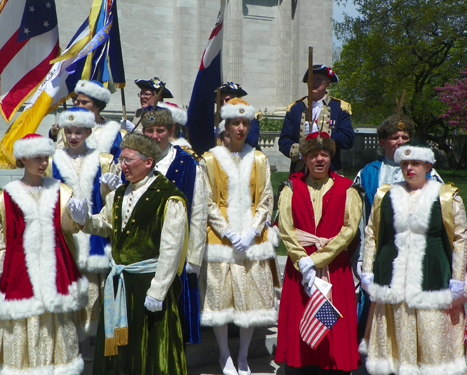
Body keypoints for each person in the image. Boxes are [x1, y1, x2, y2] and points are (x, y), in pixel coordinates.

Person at [68, 133, 188, 375]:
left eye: (128, 160)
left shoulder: (168, 197)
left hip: (149, 284)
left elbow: (171, 250)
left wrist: (158, 290)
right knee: (120, 348)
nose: (122, 166)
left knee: (150, 347)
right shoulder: (119, 193)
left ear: (148, 162)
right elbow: (105, 224)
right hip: (120, 284)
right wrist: (84, 220)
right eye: (121, 160)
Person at [0, 134, 89, 375]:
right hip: (21, 270)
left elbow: (69, 228)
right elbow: (2, 241)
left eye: (45, 157)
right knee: (23, 320)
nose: (43, 163)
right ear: (23, 159)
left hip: (55, 269)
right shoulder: (6, 196)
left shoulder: (60, 190)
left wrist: (79, 217)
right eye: (37, 158)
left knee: (55, 321)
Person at [360, 141, 467, 374]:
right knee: (397, 337)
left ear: (428, 166)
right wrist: (367, 271)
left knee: (431, 340)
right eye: (405, 163)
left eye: (415, 163)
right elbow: (372, 234)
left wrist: (458, 278)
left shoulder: (446, 196)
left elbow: (460, 239)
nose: (409, 168)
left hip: (433, 276)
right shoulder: (385, 195)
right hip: (391, 277)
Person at [199, 98, 281, 375]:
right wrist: (228, 231)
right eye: (236, 123)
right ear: (227, 125)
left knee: (251, 301)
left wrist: (253, 231)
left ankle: (244, 356)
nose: (241, 128)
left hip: (252, 240)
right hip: (219, 240)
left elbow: (267, 197)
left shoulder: (258, 158)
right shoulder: (209, 159)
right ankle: (224, 355)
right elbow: (206, 200)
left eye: (246, 123)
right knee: (220, 303)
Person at [275, 132, 362, 374]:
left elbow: (349, 230)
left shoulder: (348, 188)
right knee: (301, 316)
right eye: (313, 155)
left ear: (331, 157)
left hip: (334, 268)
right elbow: (286, 227)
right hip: (299, 268)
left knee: (331, 320)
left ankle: (333, 364)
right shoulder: (290, 187)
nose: (319, 159)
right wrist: (302, 260)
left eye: (324, 154)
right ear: (304, 158)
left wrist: (315, 260)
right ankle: (301, 363)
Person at [47, 107, 117, 343]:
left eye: (79, 131)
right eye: (69, 131)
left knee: (93, 285)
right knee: (69, 283)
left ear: (89, 132)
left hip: (93, 232)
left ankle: (94, 335)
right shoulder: (52, 160)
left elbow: (110, 201)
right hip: (65, 233)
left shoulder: (103, 160)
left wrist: (110, 187)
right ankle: (69, 337)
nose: (73, 136)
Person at [141, 106, 208, 344]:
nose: (155, 136)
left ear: (171, 130)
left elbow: (199, 212)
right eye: (149, 130)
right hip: (142, 253)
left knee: (175, 318)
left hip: (177, 252)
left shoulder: (189, 164)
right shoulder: (134, 161)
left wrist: (194, 257)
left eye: (160, 130)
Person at [355, 113, 443, 215]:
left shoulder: (427, 172)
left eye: (405, 137)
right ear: (383, 142)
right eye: (395, 138)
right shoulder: (368, 173)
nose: (401, 142)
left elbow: (443, 208)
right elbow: (358, 214)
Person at [279, 65, 354, 173]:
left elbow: (348, 140)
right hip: (301, 171)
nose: (314, 82)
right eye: (311, 79)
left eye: (318, 79)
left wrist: (326, 133)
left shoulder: (339, 108)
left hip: (330, 170)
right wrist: (302, 151)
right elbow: (284, 141)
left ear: (328, 82)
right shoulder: (295, 108)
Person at [52, 80, 123, 160]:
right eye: (77, 101)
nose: (79, 105)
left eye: (84, 102)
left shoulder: (112, 131)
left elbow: (119, 160)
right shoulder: (69, 127)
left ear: (98, 106)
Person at [217, 82, 261, 148]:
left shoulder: (250, 120)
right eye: (220, 102)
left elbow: (251, 141)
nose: (224, 104)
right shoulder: (214, 120)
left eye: (228, 100)